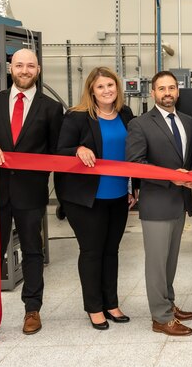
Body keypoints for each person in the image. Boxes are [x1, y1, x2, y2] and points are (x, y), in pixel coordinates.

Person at [0, 48, 63, 337]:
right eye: (19, 65)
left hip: (31, 193)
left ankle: (32, 309)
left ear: (38, 70)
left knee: (33, 251)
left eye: (30, 66)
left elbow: (57, 153)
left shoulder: (51, 108)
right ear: (10, 68)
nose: (24, 71)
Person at [55, 67, 135, 330]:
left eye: (110, 85)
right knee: (92, 252)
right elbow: (60, 151)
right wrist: (78, 149)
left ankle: (111, 303)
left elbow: (133, 154)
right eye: (100, 86)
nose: (106, 91)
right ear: (91, 89)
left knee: (111, 251)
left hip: (119, 195)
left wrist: (133, 188)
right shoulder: (77, 117)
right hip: (86, 198)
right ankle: (94, 307)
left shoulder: (125, 114)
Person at [126, 70, 192, 336]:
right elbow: (136, 164)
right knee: (156, 263)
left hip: (180, 203)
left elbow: (188, 162)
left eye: (171, 88)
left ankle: (168, 302)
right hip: (156, 203)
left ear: (177, 91)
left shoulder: (188, 121)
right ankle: (161, 317)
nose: (167, 93)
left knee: (170, 261)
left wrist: (191, 178)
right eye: (161, 89)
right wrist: (171, 179)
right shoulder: (141, 124)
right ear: (152, 92)